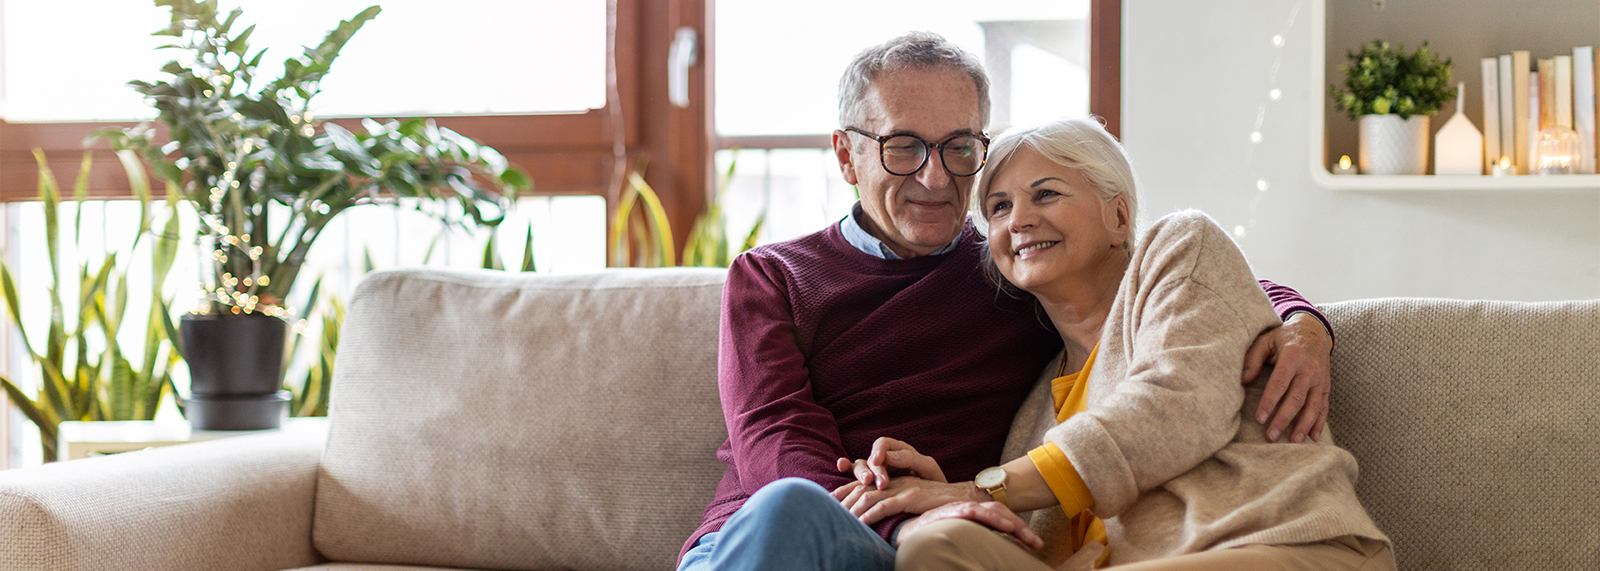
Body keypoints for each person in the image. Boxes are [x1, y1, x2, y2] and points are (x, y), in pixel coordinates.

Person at [677, 32, 1338, 571]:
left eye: (959, 147)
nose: (936, 178)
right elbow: (775, 445)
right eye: (904, 146)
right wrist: (920, 508)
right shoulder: (771, 277)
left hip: (918, 552)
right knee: (792, 506)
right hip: (771, 537)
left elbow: (1169, 277)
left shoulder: (1012, 267)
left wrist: (1300, 321)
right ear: (847, 156)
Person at [836, 117, 1392, 570]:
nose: (1020, 220)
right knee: (935, 546)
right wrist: (954, 499)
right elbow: (1042, 535)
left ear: (1119, 215)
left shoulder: (1180, 250)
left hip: (1276, 546)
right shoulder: (1035, 408)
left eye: (1045, 194)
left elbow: (1171, 407)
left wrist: (983, 490)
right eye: (999, 207)